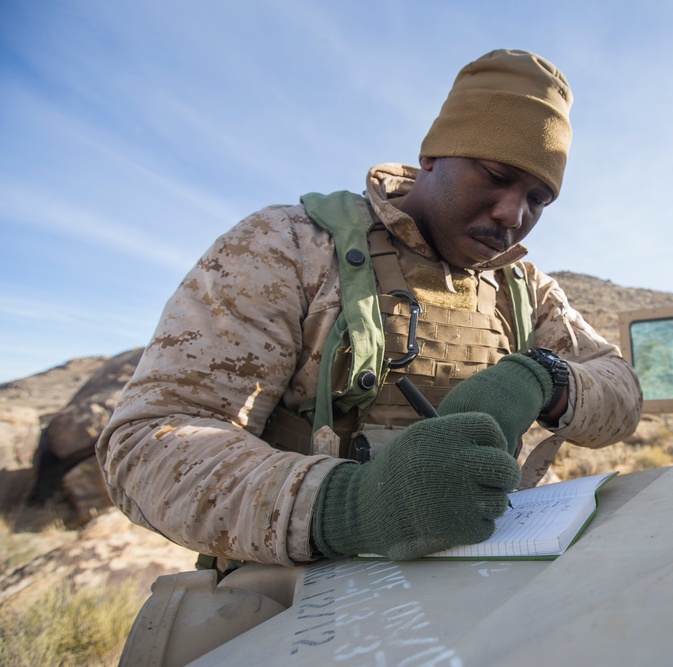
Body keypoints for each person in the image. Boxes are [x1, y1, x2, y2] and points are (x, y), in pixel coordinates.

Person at [96, 49, 642, 566]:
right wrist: (350, 505)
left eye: (537, 199)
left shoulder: (523, 287)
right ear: (431, 156)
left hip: (495, 569)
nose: (511, 214)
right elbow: (146, 446)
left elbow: (622, 390)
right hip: (307, 590)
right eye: (496, 176)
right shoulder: (288, 246)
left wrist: (543, 378)